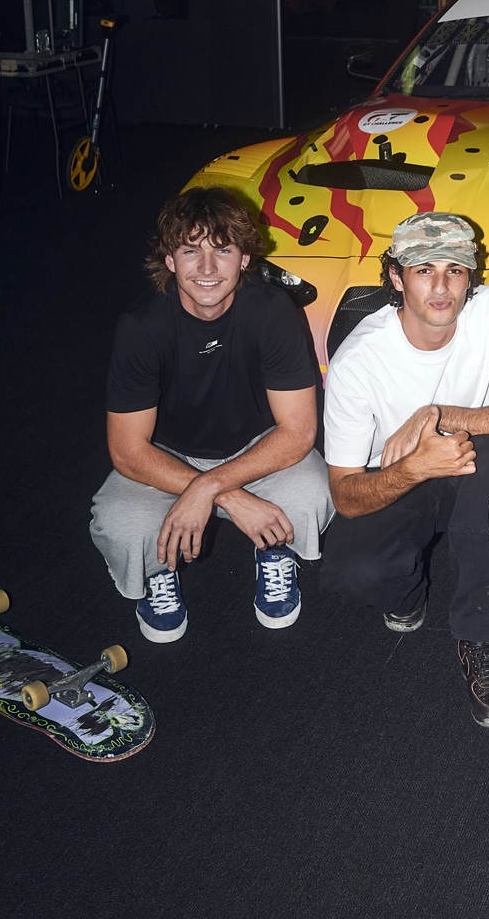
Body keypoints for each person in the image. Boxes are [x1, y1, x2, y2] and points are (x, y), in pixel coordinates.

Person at [321, 213, 489, 728]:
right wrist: (416, 467)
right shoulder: (358, 361)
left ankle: (480, 637)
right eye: (423, 270)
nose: (441, 287)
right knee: (356, 572)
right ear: (396, 277)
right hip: (399, 474)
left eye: (455, 270)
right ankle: (408, 592)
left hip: (473, 460)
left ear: (471, 277)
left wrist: (438, 414)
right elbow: (345, 496)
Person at [91, 188, 332, 643]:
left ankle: (274, 549)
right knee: (120, 525)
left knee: (314, 493)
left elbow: (298, 431)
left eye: (222, 251)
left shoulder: (272, 311)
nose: (206, 269)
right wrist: (227, 496)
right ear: (169, 260)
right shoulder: (142, 328)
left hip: (256, 448)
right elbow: (127, 451)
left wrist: (210, 487)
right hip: (167, 457)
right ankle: (157, 568)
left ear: (244, 259)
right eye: (190, 251)